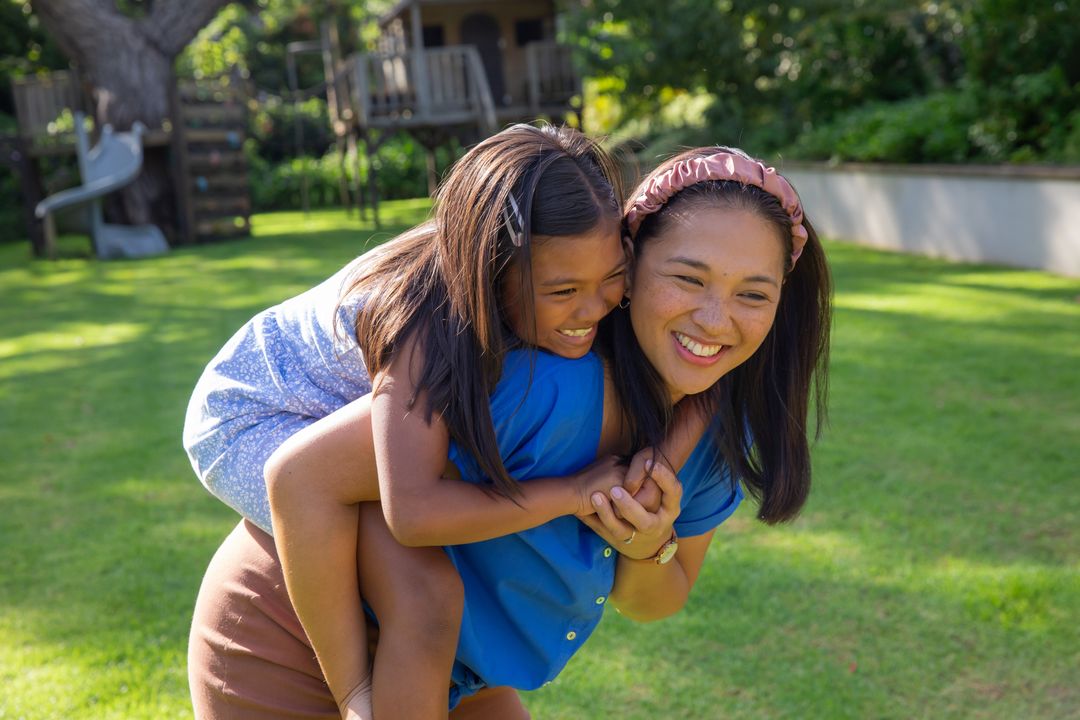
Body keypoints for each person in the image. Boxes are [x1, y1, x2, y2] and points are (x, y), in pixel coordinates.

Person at [188, 145, 832, 718]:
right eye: (688, 278)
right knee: (424, 590)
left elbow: (657, 598)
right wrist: (577, 492)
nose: (716, 318)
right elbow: (309, 479)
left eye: (754, 293)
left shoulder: (702, 411)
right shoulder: (495, 362)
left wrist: (649, 540)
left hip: (454, 673)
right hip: (285, 620)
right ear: (634, 263)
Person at [183, 124, 643, 719]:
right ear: (493, 271)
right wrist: (568, 493)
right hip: (253, 418)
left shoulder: (529, 285)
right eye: (564, 290)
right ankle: (356, 699)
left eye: (612, 279)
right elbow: (414, 513)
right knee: (424, 591)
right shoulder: (432, 326)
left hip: (322, 404)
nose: (592, 309)